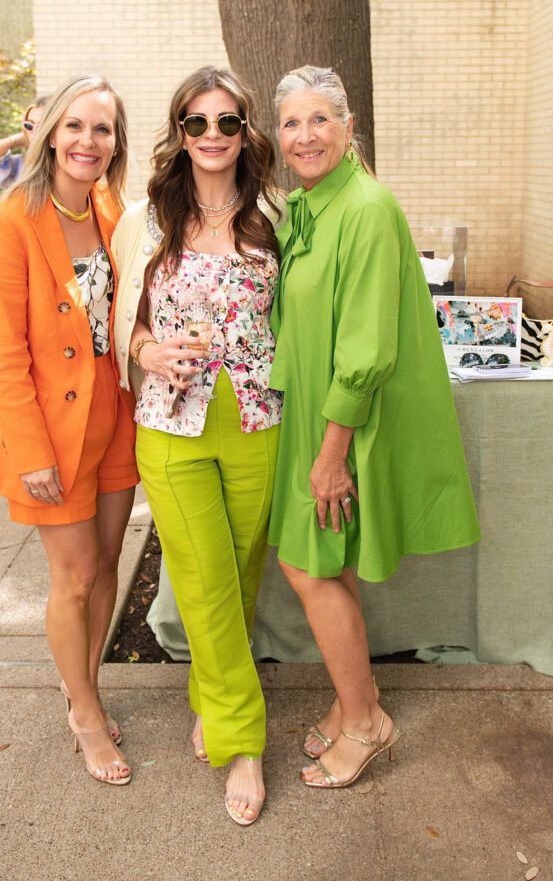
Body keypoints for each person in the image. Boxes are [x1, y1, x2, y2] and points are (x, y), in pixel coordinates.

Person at [269, 65, 480, 789]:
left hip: (344, 423)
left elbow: (365, 348)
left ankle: (365, 725)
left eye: (319, 119)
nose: (305, 135)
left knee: (308, 564)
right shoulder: (309, 205)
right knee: (327, 561)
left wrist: (332, 454)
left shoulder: (363, 207)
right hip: (311, 412)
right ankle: (352, 698)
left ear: (348, 126)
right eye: (291, 122)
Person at [112, 66, 282, 826]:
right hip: (170, 423)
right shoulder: (146, 216)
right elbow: (122, 317)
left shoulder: (278, 211)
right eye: (196, 122)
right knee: (205, 578)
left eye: (227, 122)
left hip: (258, 421)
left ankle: (213, 696)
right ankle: (242, 741)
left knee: (239, 574)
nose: (211, 136)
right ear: (177, 132)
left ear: (246, 131)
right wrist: (146, 352)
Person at [0, 74, 139, 786]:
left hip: (115, 414)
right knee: (72, 577)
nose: (87, 141)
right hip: (50, 426)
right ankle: (83, 713)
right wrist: (29, 449)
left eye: (101, 129)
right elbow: (3, 351)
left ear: (114, 143)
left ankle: (87, 686)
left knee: (107, 566)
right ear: (47, 134)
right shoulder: (7, 222)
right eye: (74, 126)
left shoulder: (112, 208)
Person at [0, 97, 48, 191]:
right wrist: (18, 139)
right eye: (29, 125)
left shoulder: (65, 162)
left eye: (41, 125)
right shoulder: (22, 163)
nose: (34, 131)